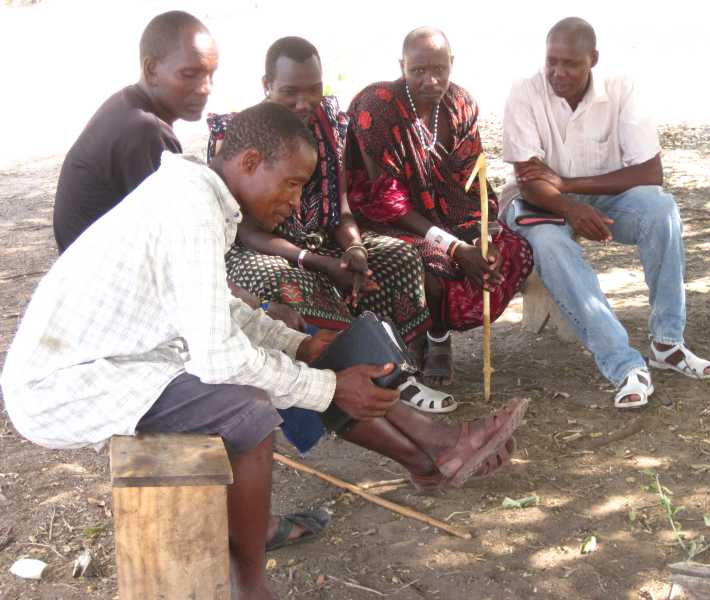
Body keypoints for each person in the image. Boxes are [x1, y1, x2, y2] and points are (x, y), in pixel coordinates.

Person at [1, 103, 528, 600]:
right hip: (70, 384)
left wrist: (300, 345)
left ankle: (437, 446)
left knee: (295, 362)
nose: (297, 202)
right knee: (250, 408)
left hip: (128, 357)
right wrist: (322, 382)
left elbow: (221, 313)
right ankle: (249, 585)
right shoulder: (191, 208)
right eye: (293, 184)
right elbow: (217, 356)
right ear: (251, 162)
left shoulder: (198, 199)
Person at [207, 36, 454, 413]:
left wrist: (353, 249)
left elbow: (340, 210)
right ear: (266, 85)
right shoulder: (238, 134)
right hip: (257, 252)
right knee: (286, 281)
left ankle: (393, 365)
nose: (304, 103)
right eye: (290, 92)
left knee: (399, 257)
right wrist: (317, 261)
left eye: (314, 90)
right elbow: (247, 232)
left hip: (321, 242)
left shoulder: (329, 125)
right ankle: (344, 381)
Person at [501, 17, 710, 409]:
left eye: (571, 63)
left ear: (593, 60)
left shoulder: (622, 88)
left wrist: (568, 186)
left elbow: (651, 173)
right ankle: (623, 365)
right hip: (537, 203)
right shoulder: (525, 92)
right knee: (550, 244)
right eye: (552, 61)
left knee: (661, 210)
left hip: (596, 197)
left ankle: (668, 342)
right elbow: (530, 179)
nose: (558, 72)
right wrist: (567, 205)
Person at [346, 27, 533, 388]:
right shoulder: (377, 107)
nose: (430, 81)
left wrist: (481, 236)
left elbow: (471, 178)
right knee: (430, 263)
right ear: (402, 66)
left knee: (508, 250)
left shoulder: (460, 104)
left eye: (439, 70)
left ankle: (437, 333)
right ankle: (433, 338)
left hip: (448, 213)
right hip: (385, 219)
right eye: (418, 71)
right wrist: (455, 247)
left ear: (452, 65)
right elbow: (387, 202)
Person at [52, 10, 218, 253]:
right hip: (103, 281)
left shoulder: (126, 104)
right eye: (189, 74)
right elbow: (174, 237)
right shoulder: (144, 131)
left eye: (210, 74)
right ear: (151, 70)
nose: (206, 88)